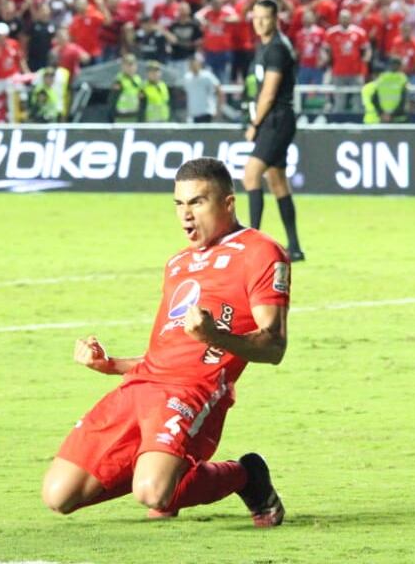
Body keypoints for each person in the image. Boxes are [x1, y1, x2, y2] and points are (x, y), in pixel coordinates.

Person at [41, 157, 288, 527]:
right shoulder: (177, 264)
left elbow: (274, 346)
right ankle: (167, 474)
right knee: (58, 496)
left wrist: (215, 336)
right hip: (142, 386)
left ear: (228, 203)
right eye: (179, 203)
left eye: (197, 202)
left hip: (194, 391)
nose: (185, 214)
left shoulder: (261, 252)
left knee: (153, 493)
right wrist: (110, 364)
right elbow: (165, 355)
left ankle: (245, 476)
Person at [244, 0, 304, 262]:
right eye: (256, 17)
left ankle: (251, 244)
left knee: (250, 175)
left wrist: (255, 124)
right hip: (276, 119)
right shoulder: (266, 46)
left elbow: (268, 93)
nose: (259, 22)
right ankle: (295, 247)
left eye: (265, 18)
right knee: (277, 180)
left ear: (275, 19)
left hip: (276, 119)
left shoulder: (277, 49)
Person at [361, 57, 408, 124]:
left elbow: (374, 99)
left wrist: (382, 113)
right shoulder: (402, 79)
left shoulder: (382, 78)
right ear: (400, 67)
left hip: (383, 118)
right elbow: (403, 100)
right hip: (398, 118)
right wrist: (391, 115)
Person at [183, 52, 222, 123]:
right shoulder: (187, 78)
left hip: (207, 112)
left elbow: (219, 91)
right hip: (193, 114)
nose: (192, 65)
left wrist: (218, 109)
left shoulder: (207, 76)